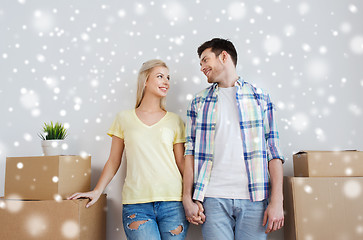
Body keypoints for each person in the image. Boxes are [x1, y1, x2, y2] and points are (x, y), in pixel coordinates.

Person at [68, 59, 189, 240]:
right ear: (145, 80)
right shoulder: (124, 118)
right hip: (136, 205)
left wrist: (193, 196)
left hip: (173, 203)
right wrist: (96, 190)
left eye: (168, 78)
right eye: (160, 76)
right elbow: (114, 160)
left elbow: (181, 162)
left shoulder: (175, 120)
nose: (166, 82)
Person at [182, 38, 285, 240]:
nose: (202, 67)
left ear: (223, 56)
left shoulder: (260, 98)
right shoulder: (199, 101)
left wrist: (277, 201)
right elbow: (190, 152)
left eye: (205, 60)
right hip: (211, 199)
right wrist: (187, 197)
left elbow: (274, 151)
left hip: (255, 199)